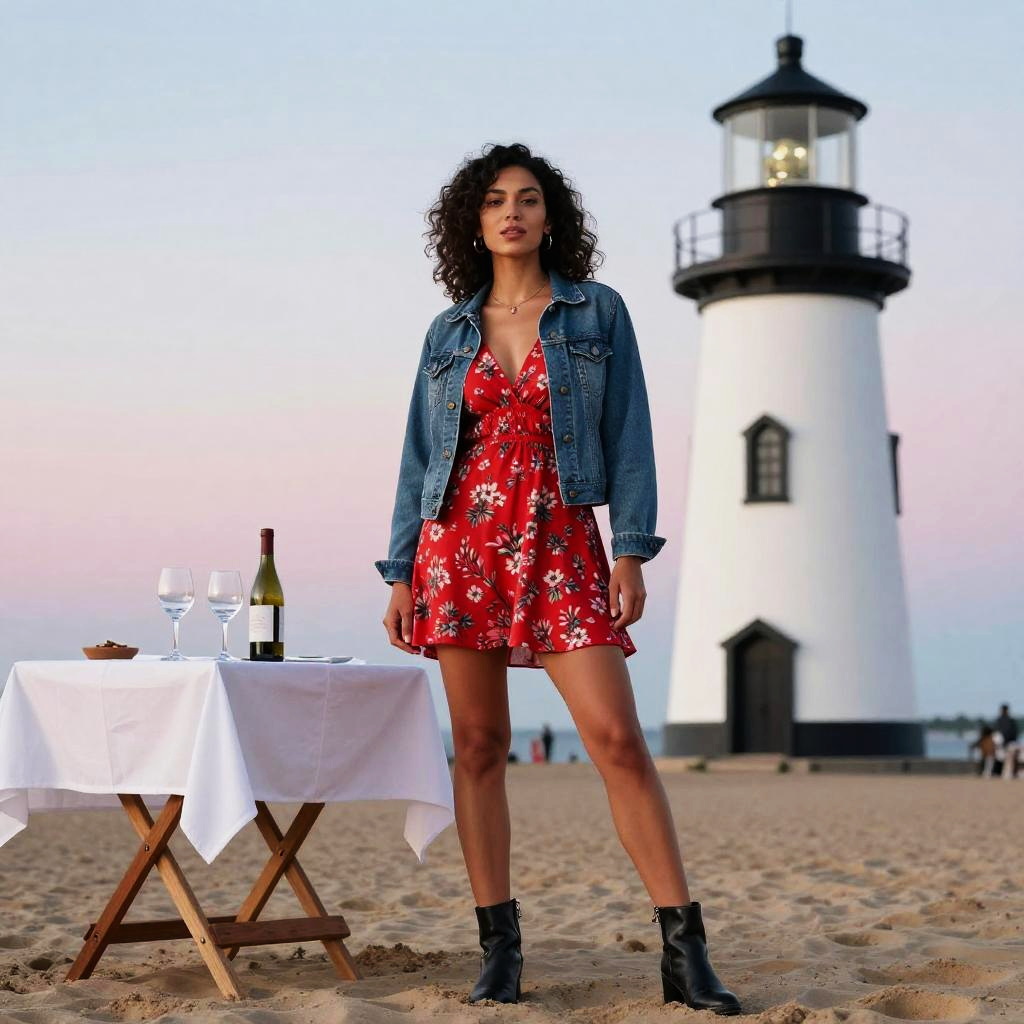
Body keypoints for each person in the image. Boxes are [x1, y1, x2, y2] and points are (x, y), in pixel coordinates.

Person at [374, 142, 740, 1015]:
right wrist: (401, 571)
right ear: (474, 222)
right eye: (496, 200)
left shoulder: (595, 312)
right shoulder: (447, 331)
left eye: (529, 198)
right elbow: (419, 456)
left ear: (550, 217)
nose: (513, 211)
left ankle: (684, 953)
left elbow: (630, 434)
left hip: (561, 538)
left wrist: (631, 550)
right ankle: (498, 951)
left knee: (617, 738)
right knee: (478, 747)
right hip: (460, 545)